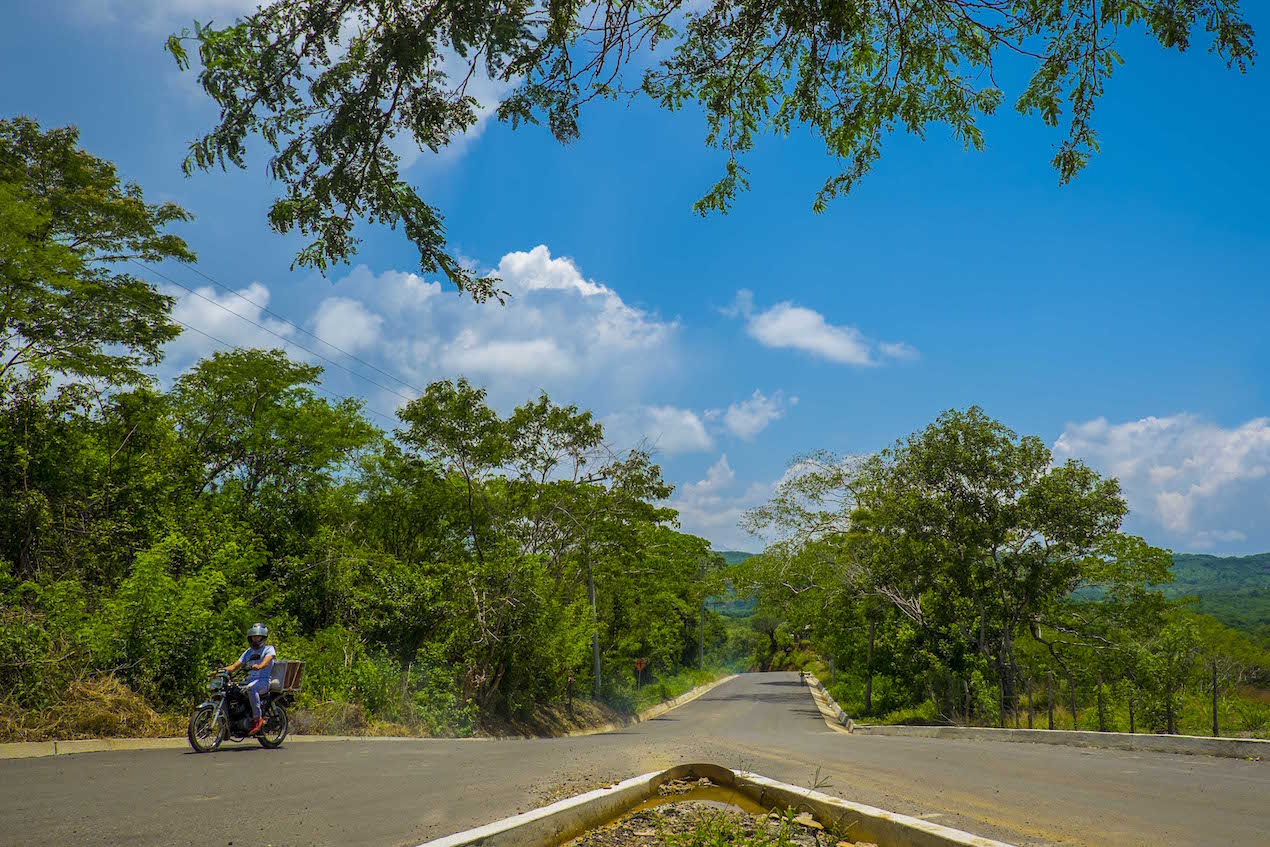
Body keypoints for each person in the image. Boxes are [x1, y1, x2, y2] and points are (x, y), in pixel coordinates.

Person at [222, 623, 275, 735]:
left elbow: (267, 660)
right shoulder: (248, 652)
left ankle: (257, 718)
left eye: (258, 637)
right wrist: (219, 671)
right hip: (250, 680)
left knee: (251, 688)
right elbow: (234, 666)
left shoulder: (269, 649)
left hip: (263, 681)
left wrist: (260, 666)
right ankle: (229, 722)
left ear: (263, 637)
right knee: (230, 689)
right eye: (253, 637)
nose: (255, 639)